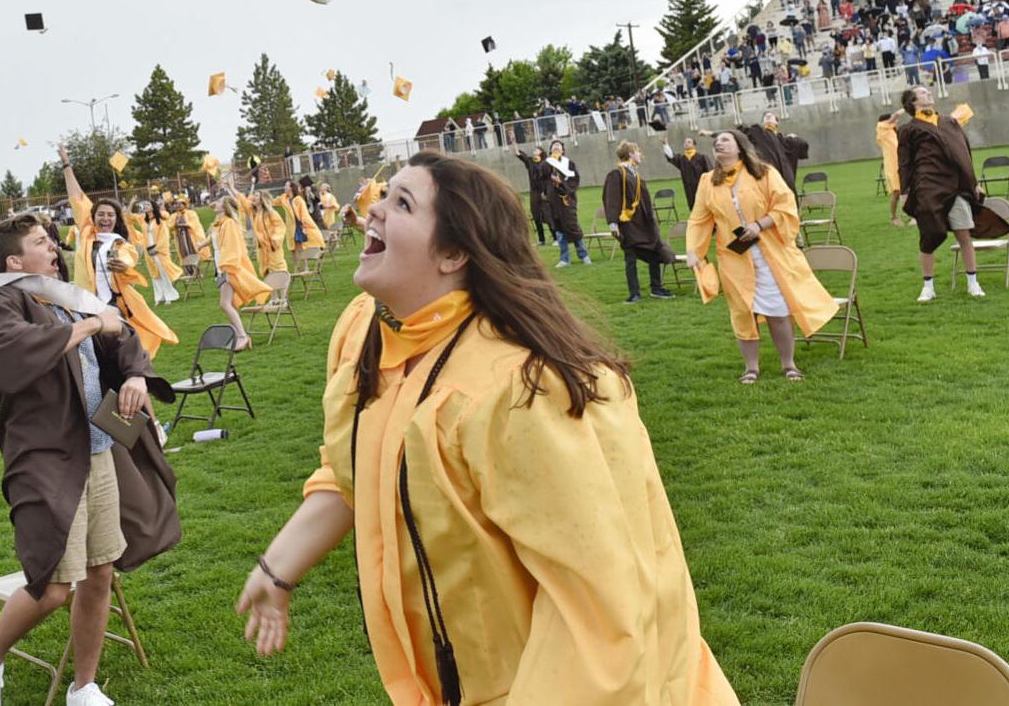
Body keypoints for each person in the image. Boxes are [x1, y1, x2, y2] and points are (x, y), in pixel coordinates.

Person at [234, 152, 739, 705]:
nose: (374, 211)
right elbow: (356, 465)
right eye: (385, 195)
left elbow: (598, 607)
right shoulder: (367, 333)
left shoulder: (518, 391)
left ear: (454, 253)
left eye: (402, 203)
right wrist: (278, 568)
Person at [0, 214, 180, 706]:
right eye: (42, 243)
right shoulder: (0, 301)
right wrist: (87, 325)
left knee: (102, 571)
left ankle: (84, 686)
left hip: (99, 449)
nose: (54, 248)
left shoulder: (66, 296)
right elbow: (2, 362)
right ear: (14, 261)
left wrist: (134, 376)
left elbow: (120, 336)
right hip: (46, 456)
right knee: (55, 585)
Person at [686, 131, 836, 383]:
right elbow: (699, 219)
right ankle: (751, 368)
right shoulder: (707, 181)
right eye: (716, 141)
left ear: (740, 147)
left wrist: (760, 225)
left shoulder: (764, 173)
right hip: (734, 255)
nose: (718, 143)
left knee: (778, 310)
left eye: (725, 139)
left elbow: (785, 206)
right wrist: (694, 252)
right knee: (743, 312)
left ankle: (789, 364)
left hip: (769, 252)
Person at [60, 148, 178, 361]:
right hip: (86, 306)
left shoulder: (121, 244)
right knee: (94, 358)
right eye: (101, 214)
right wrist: (67, 165)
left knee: (114, 356)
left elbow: (127, 258)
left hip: (111, 307)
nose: (105, 218)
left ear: (116, 220)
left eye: (110, 215)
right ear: (93, 218)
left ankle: (133, 382)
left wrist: (122, 266)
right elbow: (76, 196)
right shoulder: (87, 235)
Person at [897, 86, 1005, 302]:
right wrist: (904, 193)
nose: (929, 93)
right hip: (928, 188)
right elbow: (905, 163)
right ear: (914, 101)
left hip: (956, 187)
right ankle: (928, 287)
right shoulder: (909, 130)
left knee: (964, 234)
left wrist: (973, 183)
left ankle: (973, 283)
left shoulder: (949, 122)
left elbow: (963, 152)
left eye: (928, 91)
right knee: (928, 237)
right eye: (923, 93)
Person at [603, 142, 677, 304]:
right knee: (630, 257)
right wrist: (613, 224)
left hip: (643, 224)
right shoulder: (617, 174)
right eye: (637, 151)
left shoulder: (635, 174)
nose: (640, 154)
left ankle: (656, 288)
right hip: (628, 224)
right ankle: (634, 293)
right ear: (630, 154)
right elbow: (611, 199)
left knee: (654, 253)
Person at [209, 191, 273, 350]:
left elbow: (231, 247)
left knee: (225, 304)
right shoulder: (220, 223)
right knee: (229, 303)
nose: (215, 204)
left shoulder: (229, 223)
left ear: (224, 206)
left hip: (227, 267)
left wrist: (225, 268)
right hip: (222, 267)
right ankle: (239, 336)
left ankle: (242, 336)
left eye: (218, 202)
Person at [543, 140, 591, 267]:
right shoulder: (546, 164)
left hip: (567, 201)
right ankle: (565, 259)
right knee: (559, 230)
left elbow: (575, 180)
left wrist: (561, 183)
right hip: (553, 202)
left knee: (573, 227)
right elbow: (540, 179)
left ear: (563, 150)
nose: (556, 147)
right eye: (554, 145)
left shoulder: (569, 163)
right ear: (550, 150)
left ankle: (584, 255)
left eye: (559, 145)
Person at [144, 200, 186, 304]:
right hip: (149, 251)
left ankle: (169, 296)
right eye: (144, 205)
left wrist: (157, 249)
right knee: (155, 275)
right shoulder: (145, 222)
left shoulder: (160, 222)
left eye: (148, 205)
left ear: (153, 207)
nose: (145, 206)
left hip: (158, 251)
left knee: (163, 273)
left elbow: (164, 237)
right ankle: (159, 297)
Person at [512, 146, 552, 246]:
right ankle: (541, 240)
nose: (534, 151)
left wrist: (546, 191)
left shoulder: (546, 163)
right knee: (536, 216)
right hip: (534, 193)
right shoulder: (530, 162)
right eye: (533, 150)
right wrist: (513, 140)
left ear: (541, 152)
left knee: (548, 215)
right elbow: (518, 153)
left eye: (536, 150)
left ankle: (555, 237)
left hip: (544, 192)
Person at [663, 136, 713, 209]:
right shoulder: (682, 159)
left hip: (702, 187)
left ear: (694, 145)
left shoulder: (702, 158)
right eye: (685, 142)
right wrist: (665, 145)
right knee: (693, 206)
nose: (686, 143)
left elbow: (710, 173)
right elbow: (671, 156)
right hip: (689, 188)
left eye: (689, 142)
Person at [286, 180, 325, 269]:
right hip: (292, 227)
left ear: (291, 188)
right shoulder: (287, 199)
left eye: (287, 186)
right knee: (293, 248)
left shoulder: (299, 199)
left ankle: (306, 266)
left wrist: (303, 224)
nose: (285, 187)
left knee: (302, 246)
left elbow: (304, 212)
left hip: (302, 224)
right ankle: (298, 268)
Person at [875, 113, 905, 227]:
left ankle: (913, 216)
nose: (895, 121)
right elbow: (895, 116)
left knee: (907, 190)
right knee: (896, 193)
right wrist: (904, 109)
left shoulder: (895, 133)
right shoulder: (882, 130)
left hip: (902, 164)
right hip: (892, 167)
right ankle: (894, 217)